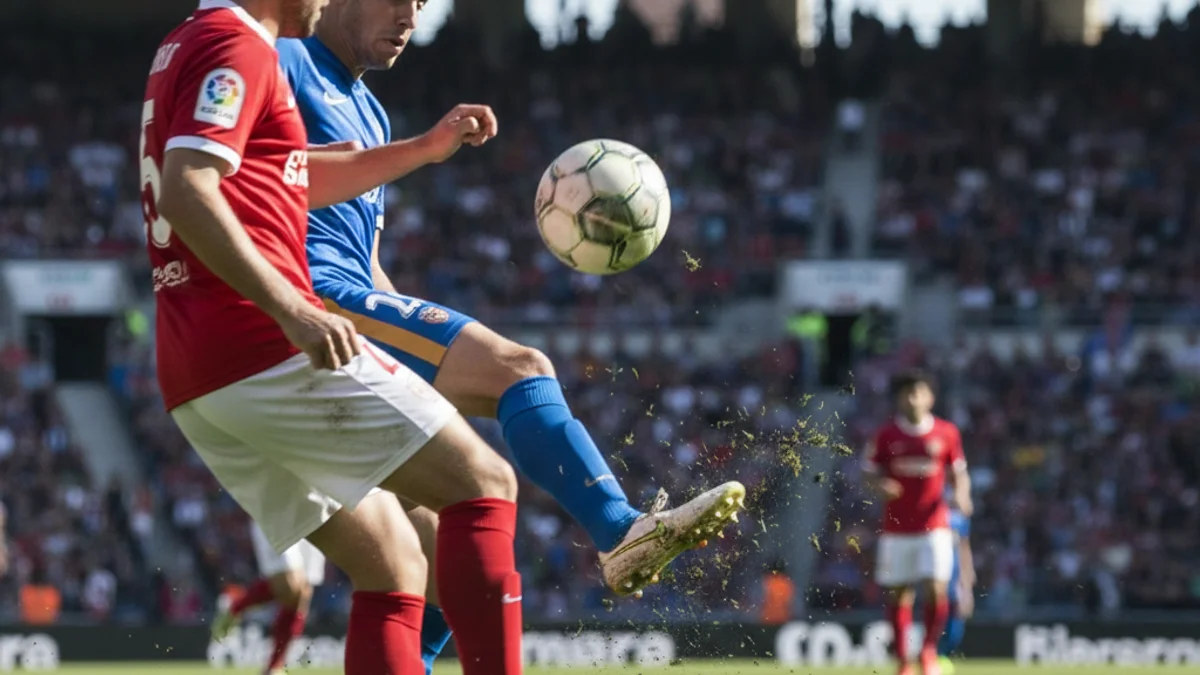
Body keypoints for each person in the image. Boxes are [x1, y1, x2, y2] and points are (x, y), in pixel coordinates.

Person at [276, 2, 746, 668]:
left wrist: (415, 325)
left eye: (422, 4)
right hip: (308, 301)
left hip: (347, 302)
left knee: (427, 568)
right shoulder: (280, 61)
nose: (410, 16)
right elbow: (247, 178)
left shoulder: (372, 113)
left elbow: (368, 265)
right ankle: (619, 530)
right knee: (520, 368)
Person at [142, 2, 524, 673]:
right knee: (483, 482)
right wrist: (292, 306)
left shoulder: (188, 45)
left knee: (395, 562)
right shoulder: (237, 43)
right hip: (258, 341)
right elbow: (187, 188)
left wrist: (423, 149)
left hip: (197, 368)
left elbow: (281, 184)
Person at [863, 371, 972, 675]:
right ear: (899, 398)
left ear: (930, 397)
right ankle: (902, 661)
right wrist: (879, 485)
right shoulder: (885, 435)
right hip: (896, 529)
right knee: (900, 594)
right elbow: (867, 472)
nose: (913, 398)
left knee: (937, 588)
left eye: (919, 392)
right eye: (907, 393)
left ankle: (927, 653)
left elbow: (958, 472)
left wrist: (962, 496)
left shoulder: (946, 433)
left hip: (934, 525)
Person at [212, 523, 327, 675]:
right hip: (279, 510)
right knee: (288, 585)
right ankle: (236, 607)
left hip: (314, 514)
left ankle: (273, 667)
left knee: (303, 592)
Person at [936, 505, 974, 675]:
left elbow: (964, 550)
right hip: (936, 578)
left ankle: (941, 656)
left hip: (954, 581)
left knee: (955, 626)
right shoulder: (932, 517)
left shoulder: (959, 520)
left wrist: (967, 582)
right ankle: (933, 656)